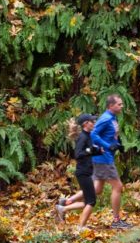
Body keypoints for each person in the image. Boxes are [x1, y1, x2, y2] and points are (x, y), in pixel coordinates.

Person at [58, 94, 133, 230]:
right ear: (111, 106)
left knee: (96, 190)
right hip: (104, 159)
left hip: (103, 157)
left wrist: (118, 143)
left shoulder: (113, 117)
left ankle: (66, 203)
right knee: (118, 187)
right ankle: (116, 220)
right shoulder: (105, 119)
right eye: (119, 104)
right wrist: (106, 146)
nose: (122, 106)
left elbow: (111, 134)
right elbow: (93, 135)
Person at [54, 113, 102, 231]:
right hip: (83, 173)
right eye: (92, 121)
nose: (94, 123)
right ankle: (80, 227)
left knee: (88, 201)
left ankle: (63, 207)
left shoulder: (89, 136)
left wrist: (99, 151)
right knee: (91, 201)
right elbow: (78, 154)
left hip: (87, 172)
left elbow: (89, 152)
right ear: (86, 124)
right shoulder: (83, 137)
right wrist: (90, 150)